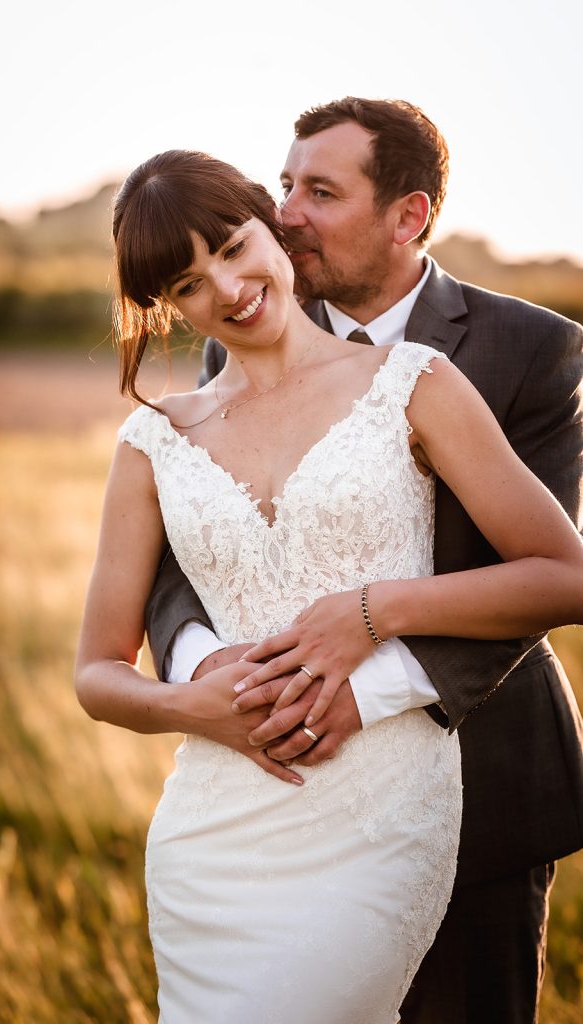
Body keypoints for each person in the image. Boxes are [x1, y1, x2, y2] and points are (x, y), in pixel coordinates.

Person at [74, 148, 583, 1024]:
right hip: (216, 833)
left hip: (384, 808)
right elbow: (97, 671)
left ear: (271, 228)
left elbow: (564, 577)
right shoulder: (153, 440)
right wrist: (196, 705)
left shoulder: (413, 381)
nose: (227, 290)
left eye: (233, 247)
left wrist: (370, 613)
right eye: (190, 285)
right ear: (166, 308)